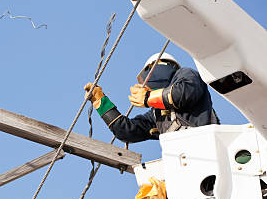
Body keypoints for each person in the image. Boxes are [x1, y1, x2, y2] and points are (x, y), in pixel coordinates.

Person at [84, 53, 219, 143]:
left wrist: (148, 98)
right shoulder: (156, 114)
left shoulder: (186, 74)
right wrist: (100, 102)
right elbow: (126, 131)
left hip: (206, 146)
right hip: (182, 159)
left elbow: (183, 93)